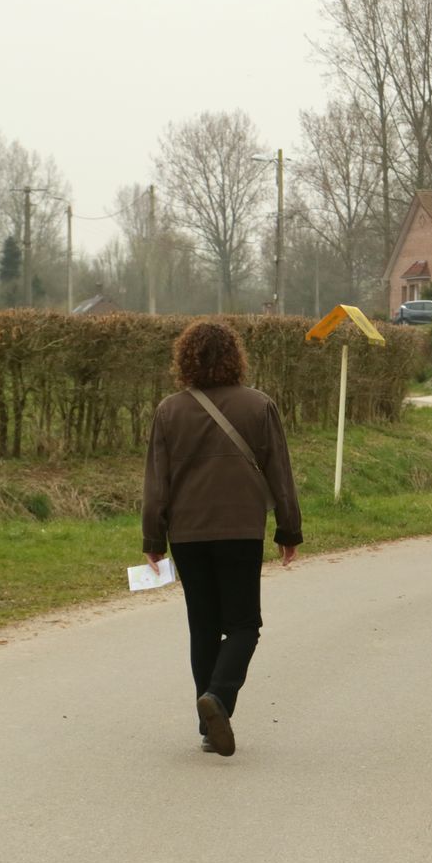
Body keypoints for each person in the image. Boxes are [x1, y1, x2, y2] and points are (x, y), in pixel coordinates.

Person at [142, 319, 303, 757]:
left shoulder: (169, 411)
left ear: (185, 359)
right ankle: (218, 698)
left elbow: (156, 482)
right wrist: (288, 528)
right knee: (244, 625)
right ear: (235, 357)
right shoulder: (259, 406)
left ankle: (208, 725)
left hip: (187, 534)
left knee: (204, 627)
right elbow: (280, 474)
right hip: (240, 530)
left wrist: (153, 538)